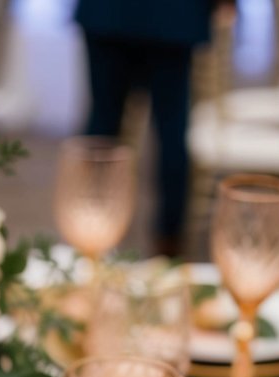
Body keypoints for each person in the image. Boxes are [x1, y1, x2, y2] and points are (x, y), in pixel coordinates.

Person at [74, 0, 216, 257]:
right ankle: (168, 245)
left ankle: (92, 239)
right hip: (173, 16)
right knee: (171, 132)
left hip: (110, 14)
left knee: (103, 128)